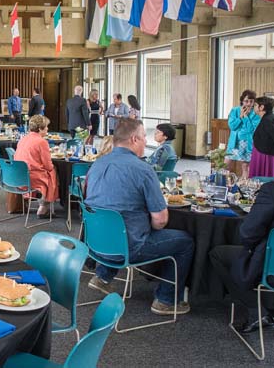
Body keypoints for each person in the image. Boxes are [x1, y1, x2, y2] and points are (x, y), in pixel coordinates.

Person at [85, 119, 194, 315]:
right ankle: (166, 300)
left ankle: (102, 275)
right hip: (128, 248)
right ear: (134, 139)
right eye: (144, 137)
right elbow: (160, 221)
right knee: (185, 241)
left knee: (119, 223)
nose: (146, 141)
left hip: (95, 245)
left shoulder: (97, 164)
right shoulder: (143, 170)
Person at [209, 182, 274, 333]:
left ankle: (252, 305)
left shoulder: (271, 190)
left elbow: (248, 233)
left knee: (218, 254)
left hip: (270, 270)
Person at [14, 115, 57, 218]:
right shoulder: (42, 142)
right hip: (31, 178)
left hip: (17, 177)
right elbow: (48, 166)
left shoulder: (23, 139)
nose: (47, 129)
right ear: (40, 128)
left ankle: (41, 202)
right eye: (46, 126)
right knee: (52, 172)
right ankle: (43, 207)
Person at [226, 90, 260, 179]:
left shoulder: (256, 113)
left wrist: (245, 117)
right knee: (226, 164)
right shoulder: (235, 110)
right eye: (246, 101)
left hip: (248, 142)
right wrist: (240, 117)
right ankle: (224, 184)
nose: (249, 104)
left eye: (251, 101)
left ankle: (244, 186)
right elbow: (232, 126)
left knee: (245, 167)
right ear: (242, 101)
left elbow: (251, 129)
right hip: (235, 142)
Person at [250, 96, 274, 178]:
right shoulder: (267, 118)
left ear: (261, 107)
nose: (254, 107)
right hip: (262, 153)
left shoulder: (268, 120)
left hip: (265, 155)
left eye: (256, 105)